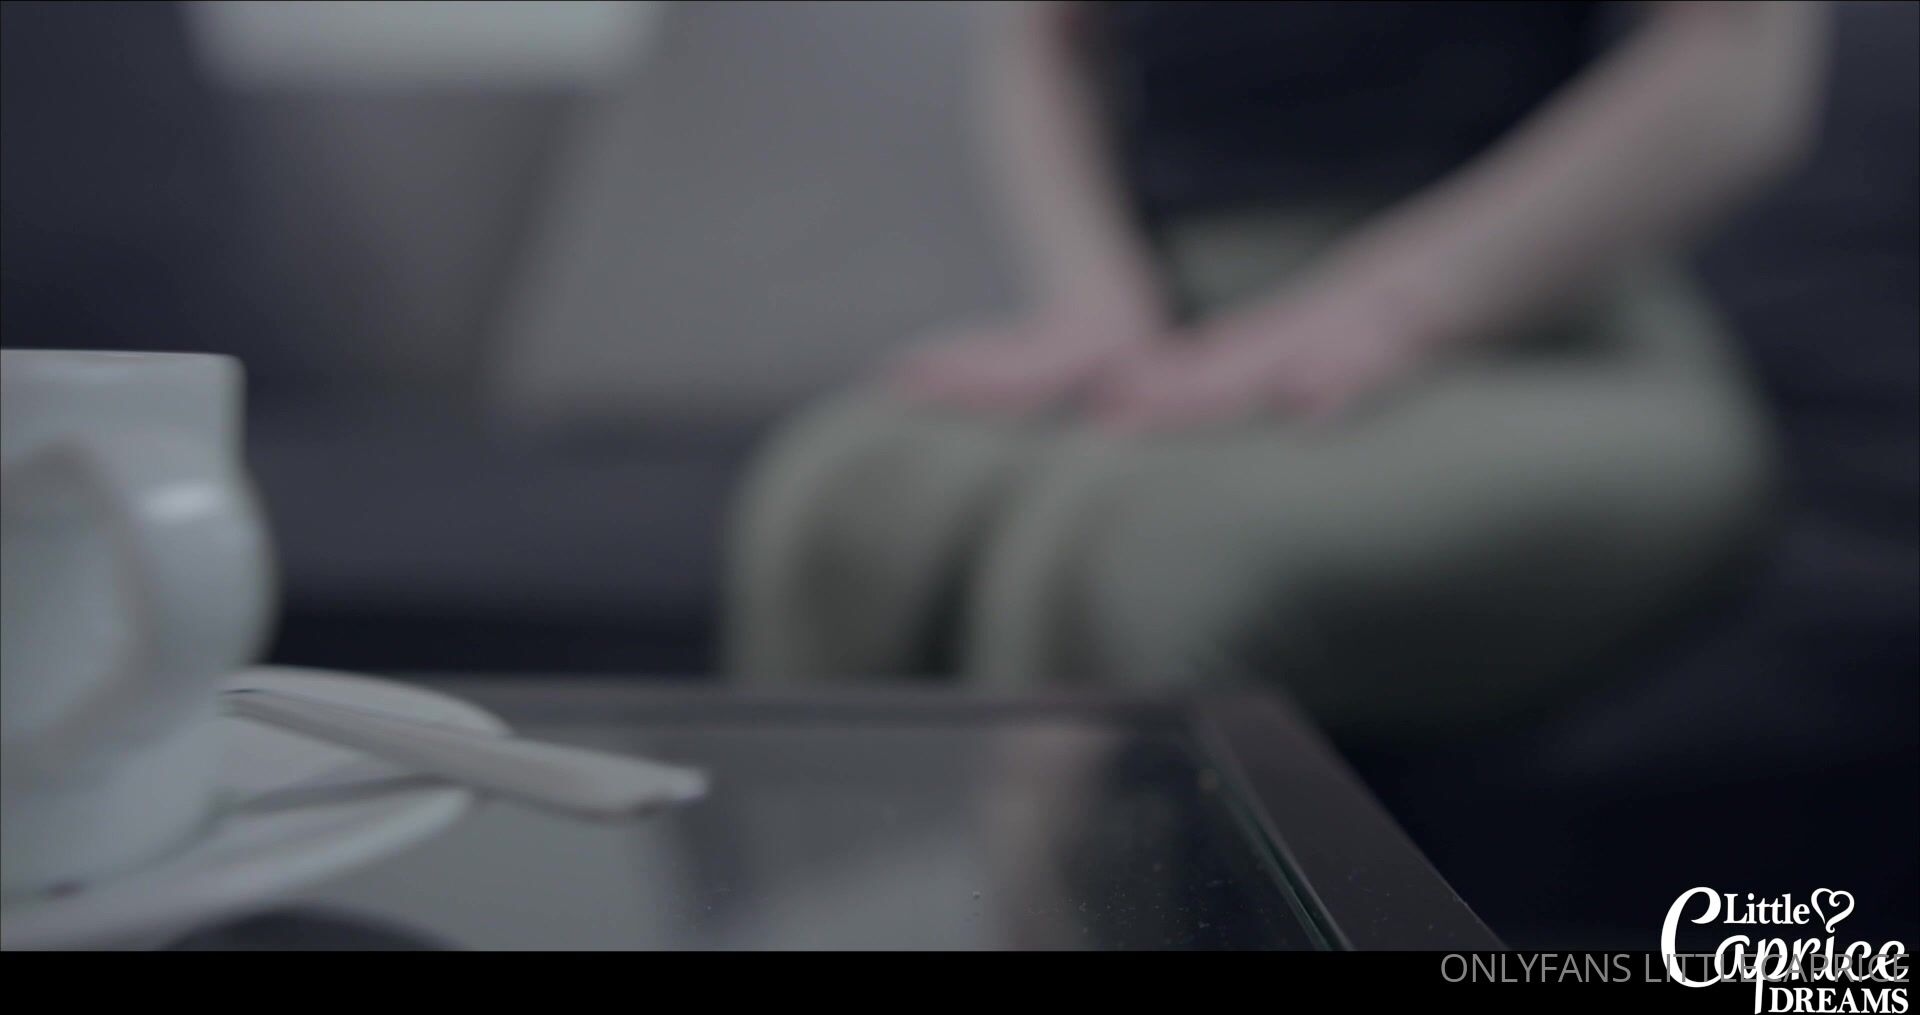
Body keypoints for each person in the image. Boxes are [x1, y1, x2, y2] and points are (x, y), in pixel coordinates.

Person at [726, 2, 1828, 737]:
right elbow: (1044, 41)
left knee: (1120, 546)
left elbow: (1736, 63)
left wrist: (1387, 305)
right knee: (838, 493)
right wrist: (1092, 300)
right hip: (1178, 313)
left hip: (1532, 328)